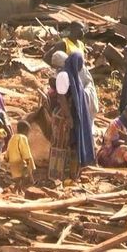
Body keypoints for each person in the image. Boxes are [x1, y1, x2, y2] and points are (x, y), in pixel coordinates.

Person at [48, 52, 95, 182]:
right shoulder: (63, 75)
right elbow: (62, 98)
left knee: (73, 143)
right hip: (64, 116)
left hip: (73, 113)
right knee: (61, 143)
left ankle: (72, 173)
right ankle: (57, 173)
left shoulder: (73, 74)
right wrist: (69, 117)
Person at [7, 120, 36, 190]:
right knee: (24, 175)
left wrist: (6, 157)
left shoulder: (12, 137)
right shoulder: (23, 138)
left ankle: (18, 190)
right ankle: (28, 184)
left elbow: (8, 148)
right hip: (20, 160)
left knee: (17, 177)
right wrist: (29, 162)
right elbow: (26, 151)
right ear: (25, 130)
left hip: (12, 160)